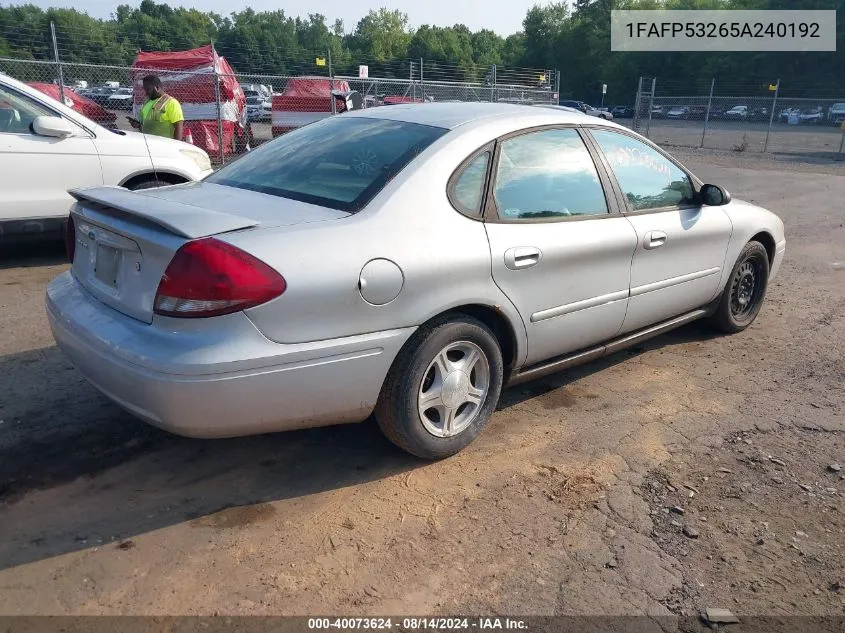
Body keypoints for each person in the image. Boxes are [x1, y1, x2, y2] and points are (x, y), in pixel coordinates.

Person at [128, 75, 184, 141]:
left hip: (163, 145)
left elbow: (178, 126)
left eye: (148, 89)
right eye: (145, 89)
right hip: (148, 143)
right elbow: (149, 125)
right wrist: (138, 125)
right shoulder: (147, 102)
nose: (146, 93)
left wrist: (176, 146)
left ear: (157, 87)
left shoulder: (171, 103)